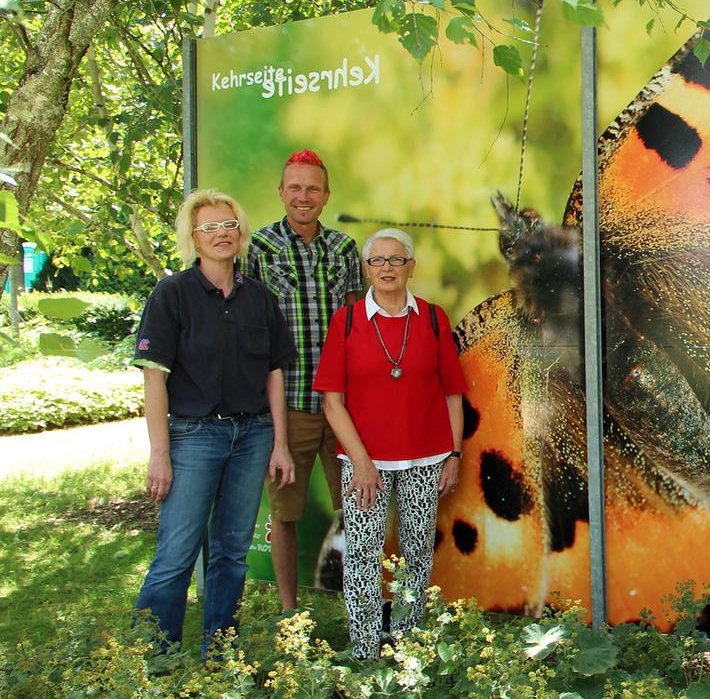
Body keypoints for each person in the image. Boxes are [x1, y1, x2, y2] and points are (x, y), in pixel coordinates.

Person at [133, 189, 296, 651]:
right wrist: (160, 455)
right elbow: (154, 380)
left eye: (228, 225)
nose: (221, 234)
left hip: (252, 437)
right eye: (209, 228)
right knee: (177, 555)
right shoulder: (172, 294)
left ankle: (220, 650)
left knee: (232, 555)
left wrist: (280, 444)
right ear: (193, 238)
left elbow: (274, 373)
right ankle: (152, 656)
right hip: (193, 437)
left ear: (240, 232)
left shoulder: (259, 298)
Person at [313, 228, 466, 659]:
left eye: (396, 260)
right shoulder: (346, 322)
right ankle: (364, 648)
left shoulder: (434, 319)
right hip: (365, 463)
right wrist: (361, 462)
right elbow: (332, 402)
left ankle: (406, 642)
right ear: (366, 268)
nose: (387, 268)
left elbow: (453, 394)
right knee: (362, 554)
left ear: (411, 267)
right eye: (377, 261)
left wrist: (453, 454)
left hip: (426, 459)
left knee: (417, 550)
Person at [245, 149, 363, 610]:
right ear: (281, 193)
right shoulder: (259, 248)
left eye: (312, 188)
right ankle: (289, 610)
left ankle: (362, 601)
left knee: (358, 506)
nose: (303, 196)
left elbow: (356, 322)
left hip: (341, 404)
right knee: (285, 511)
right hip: (288, 402)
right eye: (294, 187)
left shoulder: (344, 249)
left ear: (326, 196)